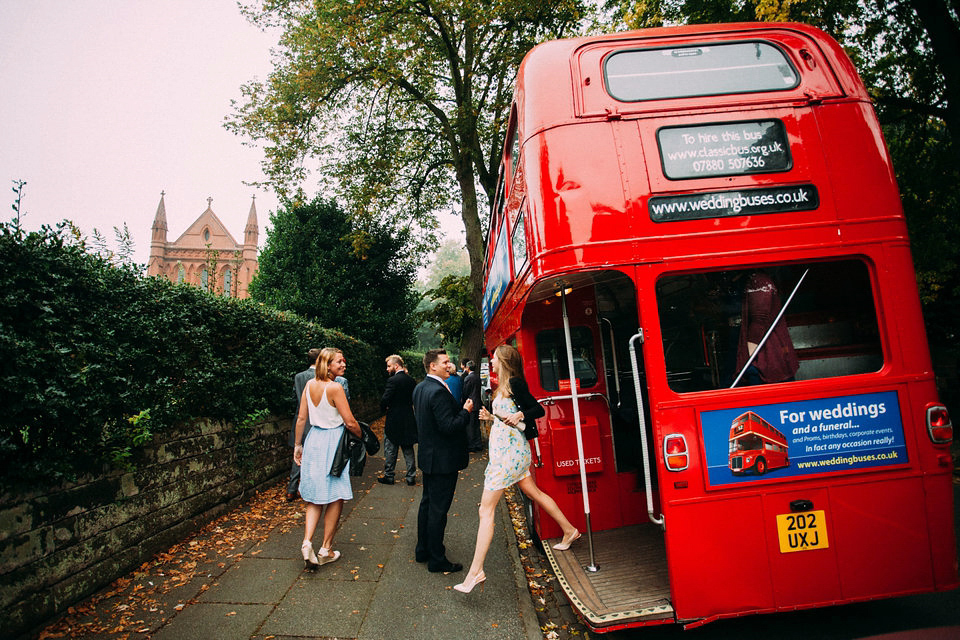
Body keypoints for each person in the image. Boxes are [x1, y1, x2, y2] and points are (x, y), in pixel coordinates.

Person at [454, 344, 580, 594]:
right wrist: (492, 418)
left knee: (485, 510)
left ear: (504, 361)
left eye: (494, 359)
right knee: (535, 493)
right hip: (508, 453)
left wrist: (521, 415)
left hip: (508, 457)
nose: (491, 362)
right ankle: (570, 530)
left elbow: (537, 409)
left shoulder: (515, 383)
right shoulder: (503, 385)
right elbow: (507, 416)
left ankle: (475, 572)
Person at [293, 347, 362, 570]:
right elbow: (350, 422)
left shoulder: (309, 385)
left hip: (313, 441)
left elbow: (302, 418)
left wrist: (297, 445)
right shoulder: (335, 387)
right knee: (335, 495)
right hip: (333, 443)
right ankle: (325, 548)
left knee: (314, 497)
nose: (344, 365)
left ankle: (306, 543)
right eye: (339, 362)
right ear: (328, 365)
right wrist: (362, 437)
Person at [413, 349, 474, 573]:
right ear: (433, 366)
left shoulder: (420, 388)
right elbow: (448, 426)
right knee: (438, 510)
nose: (450, 365)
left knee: (427, 505)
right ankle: (437, 559)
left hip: (429, 457)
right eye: (446, 362)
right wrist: (466, 412)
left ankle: (423, 549)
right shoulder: (437, 391)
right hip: (443, 460)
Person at [735, 271, 799, 385]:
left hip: (765, 360)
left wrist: (749, 359)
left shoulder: (758, 281)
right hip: (768, 358)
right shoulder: (759, 280)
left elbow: (759, 319)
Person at [378, 354, 418, 486]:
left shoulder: (392, 381)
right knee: (408, 448)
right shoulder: (411, 381)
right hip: (407, 416)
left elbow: (385, 399)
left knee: (391, 447)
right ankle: (411, 476)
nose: (387, 369)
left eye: (389, 366)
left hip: (394, 417)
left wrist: (383, 408)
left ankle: (389, 475)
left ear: (396, 366)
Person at [288, 348, 322, 501]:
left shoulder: (298, 376)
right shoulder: (320, 377)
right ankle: (311, 489)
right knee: (316, 456)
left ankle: (292, 488)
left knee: (298, 455)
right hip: (315, 418)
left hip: (300, 418)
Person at [461, 360, 484, 452]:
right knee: (476, 425)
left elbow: (465, 391)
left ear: (468, 368)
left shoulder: (468, 378)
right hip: (477, 402)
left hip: (471, 403)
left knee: (470, 426)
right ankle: (478, 444)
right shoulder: (477, 377)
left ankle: (471, 445)